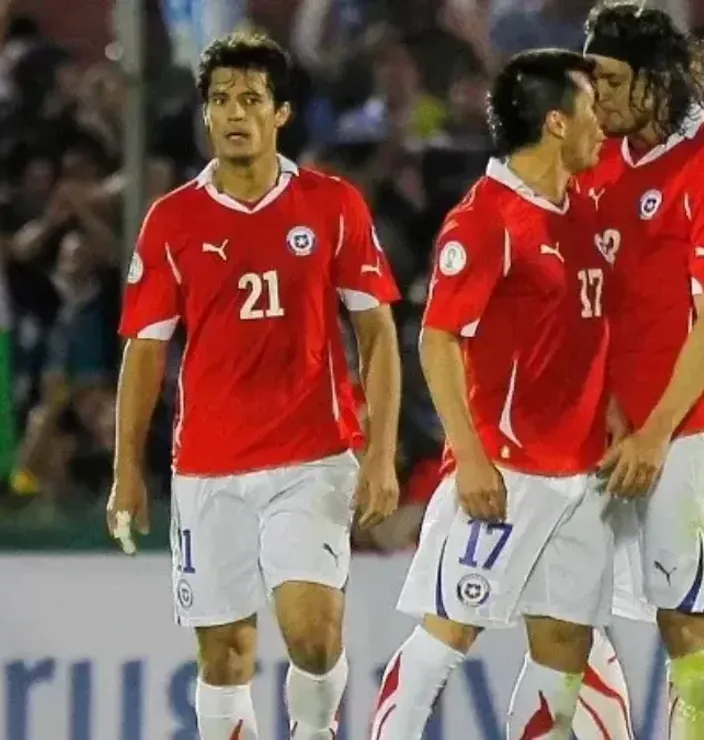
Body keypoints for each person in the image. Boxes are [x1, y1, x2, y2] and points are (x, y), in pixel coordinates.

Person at [108, 33, 402, 740]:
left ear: (281, 113)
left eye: (250, 99)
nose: (234, 112)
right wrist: (126, 470)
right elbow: (144, 353)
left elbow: (378, 334)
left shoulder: (331, 204)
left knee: (314, 636)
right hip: (209, 467)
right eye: (220, 100)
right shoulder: (172, 220)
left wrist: (381, 454)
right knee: (224, 656)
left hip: (312, 456)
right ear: (205, 114)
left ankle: (314, 731)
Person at [368, 48, 611, 739]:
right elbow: (438, 339)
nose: (603, 126)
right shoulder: (486, 219)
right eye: (592, 110)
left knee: (564, 650)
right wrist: (471, 457)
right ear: (557, 122)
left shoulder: (580, 212)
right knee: (446, 636)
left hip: (580, 473)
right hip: (506, 471)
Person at [561, 4, 704, 738]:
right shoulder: (596, 160)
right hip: (603, 430)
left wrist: (655, 432)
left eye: (614, 81)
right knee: (563, 613)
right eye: (592, 80)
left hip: (693, 430)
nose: (599, 96)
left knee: (687, 623)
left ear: (659, 80)